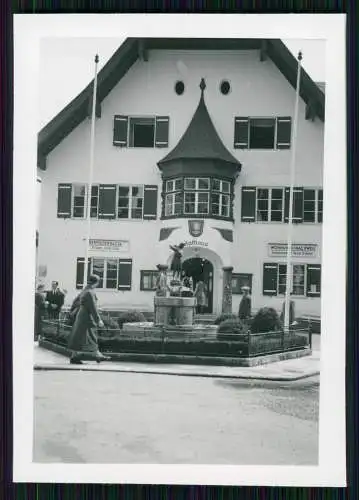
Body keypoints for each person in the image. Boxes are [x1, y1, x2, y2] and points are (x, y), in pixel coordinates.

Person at [67, 274, 110, 364]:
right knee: (92, 336)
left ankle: (74, 356)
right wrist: (99, 320)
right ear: (97, 283)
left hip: (81, 315)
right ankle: (97, 355)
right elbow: (93, 307)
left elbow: (77, 302)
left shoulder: (85, 290)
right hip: (87, 317)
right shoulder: (90, 292)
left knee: (79, 337)